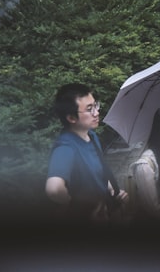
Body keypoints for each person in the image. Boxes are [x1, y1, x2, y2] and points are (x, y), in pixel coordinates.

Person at [45, 83, 128, 222]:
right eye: (89, 109)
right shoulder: (66, 147)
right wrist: (78, 207)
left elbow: (98, 173)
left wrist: (112, 189)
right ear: (71, 118)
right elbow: (54, 188)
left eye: (95, 105)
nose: (96, 112)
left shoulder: (91, 135)